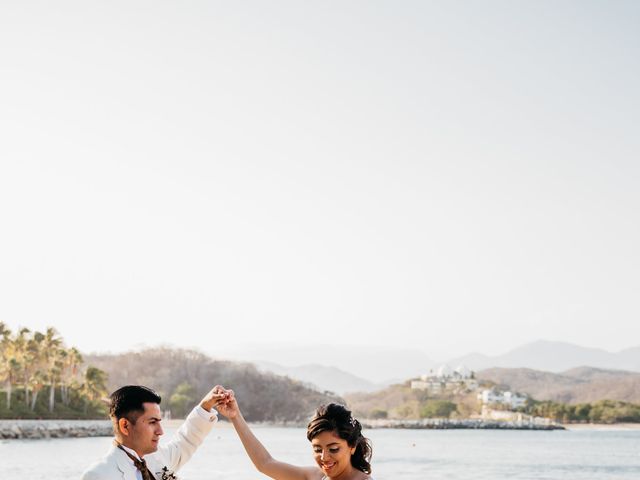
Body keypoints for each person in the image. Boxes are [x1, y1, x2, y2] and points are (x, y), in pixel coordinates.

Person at [215, 387, 373, 480]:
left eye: (333, 449)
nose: (324, 457)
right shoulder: (317, 477)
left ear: (352, 446)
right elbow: (265, 464)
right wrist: (235, 416)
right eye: (318, 449)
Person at [82, 384, 229, 480]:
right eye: (152, 422)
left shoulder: (158, 457)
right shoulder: (98, 475)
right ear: (125, 426)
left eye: (159, 421)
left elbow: (187, 439)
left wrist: (206, 405)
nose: (160, 431)